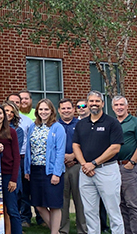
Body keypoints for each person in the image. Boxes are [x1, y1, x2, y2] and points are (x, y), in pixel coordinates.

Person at [73, 91, 124, 234]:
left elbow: (115, 148)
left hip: (107, 170)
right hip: (86, 172)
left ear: (102, 103)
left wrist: (93, 163)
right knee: (89, 211)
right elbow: (76, 145)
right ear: (87, 103)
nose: (94, 104)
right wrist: (84, 164)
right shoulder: (81, 124)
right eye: (91, 101)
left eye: (97, 101)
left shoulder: (112, 122)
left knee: (113, 210)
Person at [24, 99, 66, 234]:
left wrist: (56, 173)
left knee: (54, 204)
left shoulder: (57, 127)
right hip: (35, 170)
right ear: (37, 111)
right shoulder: (33, 127)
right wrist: (27, 169)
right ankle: (57, 232)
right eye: (41, 109)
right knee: (38, 205)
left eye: (46, 109)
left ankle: (54, 232)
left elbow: (60, 152)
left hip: (51, 171)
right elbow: (28, 150)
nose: (43, 112)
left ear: (52, 111)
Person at [112, 96, 137, 234]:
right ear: (113, 107)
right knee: (120, 204)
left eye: (122, 104)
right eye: (116, 105)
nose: (119, 107)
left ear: (127, 107)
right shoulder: (113, 123)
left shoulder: (136, 123)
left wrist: (132, 162)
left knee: (132, 204)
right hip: (114, 167)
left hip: (129, 167)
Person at [0, 104, 21, 234]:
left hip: (8, 175)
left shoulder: (11, 131)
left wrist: (13, 179)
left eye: (0, 113)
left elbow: (17, 157)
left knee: (12, 210)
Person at [57, 98, 86, 234]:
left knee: (80, 199)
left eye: (69, 108)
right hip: (60, 167)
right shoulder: (55, 125)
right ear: (59, 111)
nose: (66, 111)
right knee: (62, 200)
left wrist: (73, 156)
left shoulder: (81, 124)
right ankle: (63, 230)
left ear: (73, 110)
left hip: (77, 165)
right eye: (63, 108)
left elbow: (86, 144)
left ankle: (83, 229)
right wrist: (62, 158)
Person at [8, 93, 36, 227]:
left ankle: (25, 218)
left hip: (24, 158)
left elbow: (31, 141)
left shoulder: (27, 121)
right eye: (11, 102)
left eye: (17, 102)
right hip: (9, 160)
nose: (14, 105)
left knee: (25, 190)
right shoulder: (1, 121)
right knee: (15, 190)